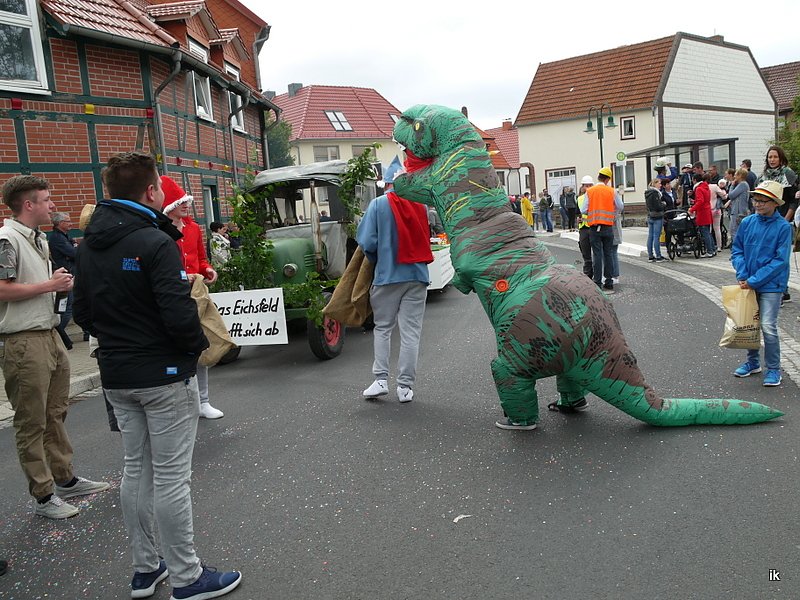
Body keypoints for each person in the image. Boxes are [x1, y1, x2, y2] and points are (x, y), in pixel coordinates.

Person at [73, 152, 242, 599]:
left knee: (136, 470)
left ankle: (146, 568)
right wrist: (192, 349)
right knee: (170, 477)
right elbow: (177, 310)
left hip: (117, 373)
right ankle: (187, 577)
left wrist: (119, 342)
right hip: (163, 374)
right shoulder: (154, 242)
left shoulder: (89, 244)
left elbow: (82, 312)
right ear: (151, 191)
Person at [0, 175, 109, 519]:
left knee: (55, 412)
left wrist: (56, 287)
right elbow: (2, 289)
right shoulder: (6, 239)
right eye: (46, 200)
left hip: (47, 334)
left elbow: (31, 285)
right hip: (23, 340)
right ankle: (44, 496)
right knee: (31, 421)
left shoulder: (40, 239)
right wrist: (49, 284)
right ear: (28, 204)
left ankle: (65, 479)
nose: (52, 205)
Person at [357, 154, 431, 403]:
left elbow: (367, 241)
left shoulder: (378, 205)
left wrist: (377, 260)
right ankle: (405, 387)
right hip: (417, 275)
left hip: (388, 275)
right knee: (411, 333)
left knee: (383, 328)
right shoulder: (420, 206)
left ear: (387, 183)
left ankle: (380, 380)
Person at [160, 176, 224, 419]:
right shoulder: (159, 230)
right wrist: (180, 276)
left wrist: (208, 270)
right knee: (176, 349)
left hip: (196, 294)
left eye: (186, 201)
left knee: (202, 345)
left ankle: (203, 401)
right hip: (173, 296)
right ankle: (181, 402)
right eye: (180, 201)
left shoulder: (194, 228)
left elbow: (201, 258)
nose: (186, 205)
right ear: (168, 204)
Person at [731, 180, 792, 387]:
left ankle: (773, 369)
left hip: (772, 285)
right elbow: (737, 249)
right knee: (750, 324)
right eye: (755, 199)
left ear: (775, 203)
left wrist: (753, 280)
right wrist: (742, 272)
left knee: (767, 325)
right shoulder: (748, 222)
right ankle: (753, 363)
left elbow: (780, 261)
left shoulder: (783, 227)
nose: (757, 204)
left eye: (763, 201)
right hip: (748, 281)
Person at [757, 145, 798, 304]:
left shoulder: (788, 174)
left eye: (775, 157)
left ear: (780, 158)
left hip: (783, 220)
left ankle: (781, 290)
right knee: (767, 255)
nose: (772, 160)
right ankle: (774, 289)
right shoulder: (763, 176)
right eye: (769, 157)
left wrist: (785, 220)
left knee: (781, 258)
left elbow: (794, 200)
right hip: (766, 222)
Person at [581, 167, 623, 292]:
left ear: (599, 177)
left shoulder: (590, 191)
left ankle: (597, 282)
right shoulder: (612, 191)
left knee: (597, 255)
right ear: (608, 179)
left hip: (594, 228)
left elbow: (583, 209)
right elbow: (620, 206)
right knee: (608, 254)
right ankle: (609, 281)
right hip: (608, 227)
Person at [49, 211, 78, 350]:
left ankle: (86, 332)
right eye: (68, 221)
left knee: (77, 304)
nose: (71, 223)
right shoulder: (57, 238)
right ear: (60, 223)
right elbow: (74, 253)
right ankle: (58, 332)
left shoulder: (64, 237)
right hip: (65, 277)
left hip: (71, 275)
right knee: (66, 309)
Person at [688, 172, 716, 257]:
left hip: (702, 212)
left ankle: (709, 251)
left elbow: (700, 201)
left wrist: (692, 209)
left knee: (705, 232)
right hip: (707, 211)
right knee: (708, 232)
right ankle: (713, 250)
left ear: (695, 180)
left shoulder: (698, 189)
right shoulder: (706, 187)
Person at [727, 168, 751, 244]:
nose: (734, 176)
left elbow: (731, 195)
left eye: (736, 174)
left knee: (734, 231)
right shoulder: (743, 185)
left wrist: (732, 185)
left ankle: (737, 249)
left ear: (740, 175)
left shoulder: (742, 184)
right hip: (740, 211)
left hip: (738, 212)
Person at [576, 177, 594, 279]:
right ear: (582, 187)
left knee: (596, 254)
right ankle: (588, 275)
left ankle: (596, 274)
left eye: (589, 186)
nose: (587, 188)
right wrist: (577, 220)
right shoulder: (579, 199)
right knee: (586, 254)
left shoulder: (595, 197)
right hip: (583, 228)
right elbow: (577, 213)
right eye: (586, 186)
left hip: (594, 227)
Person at [645, 179, 667, 262]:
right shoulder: (655, 193)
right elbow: (658, 206)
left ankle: (650, 256)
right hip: (657, 216)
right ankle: (658, 256)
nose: (660, 185)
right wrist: (663, 204)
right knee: (656, 237)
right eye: (659, 183)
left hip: (650, 216)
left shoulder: (648, 192)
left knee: (650, 236)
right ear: (655, 184)